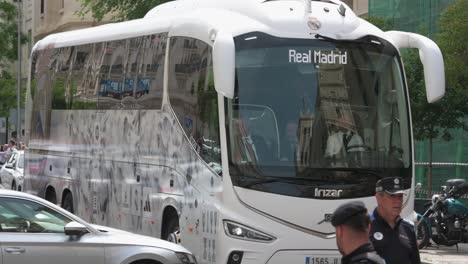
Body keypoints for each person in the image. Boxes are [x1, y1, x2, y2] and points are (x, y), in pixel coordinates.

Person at [370, 177, 420, 264]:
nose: (398, 201)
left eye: (400, 196)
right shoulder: (363, 227)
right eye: (392, 196)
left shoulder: (408, 228)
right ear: (378, 198)